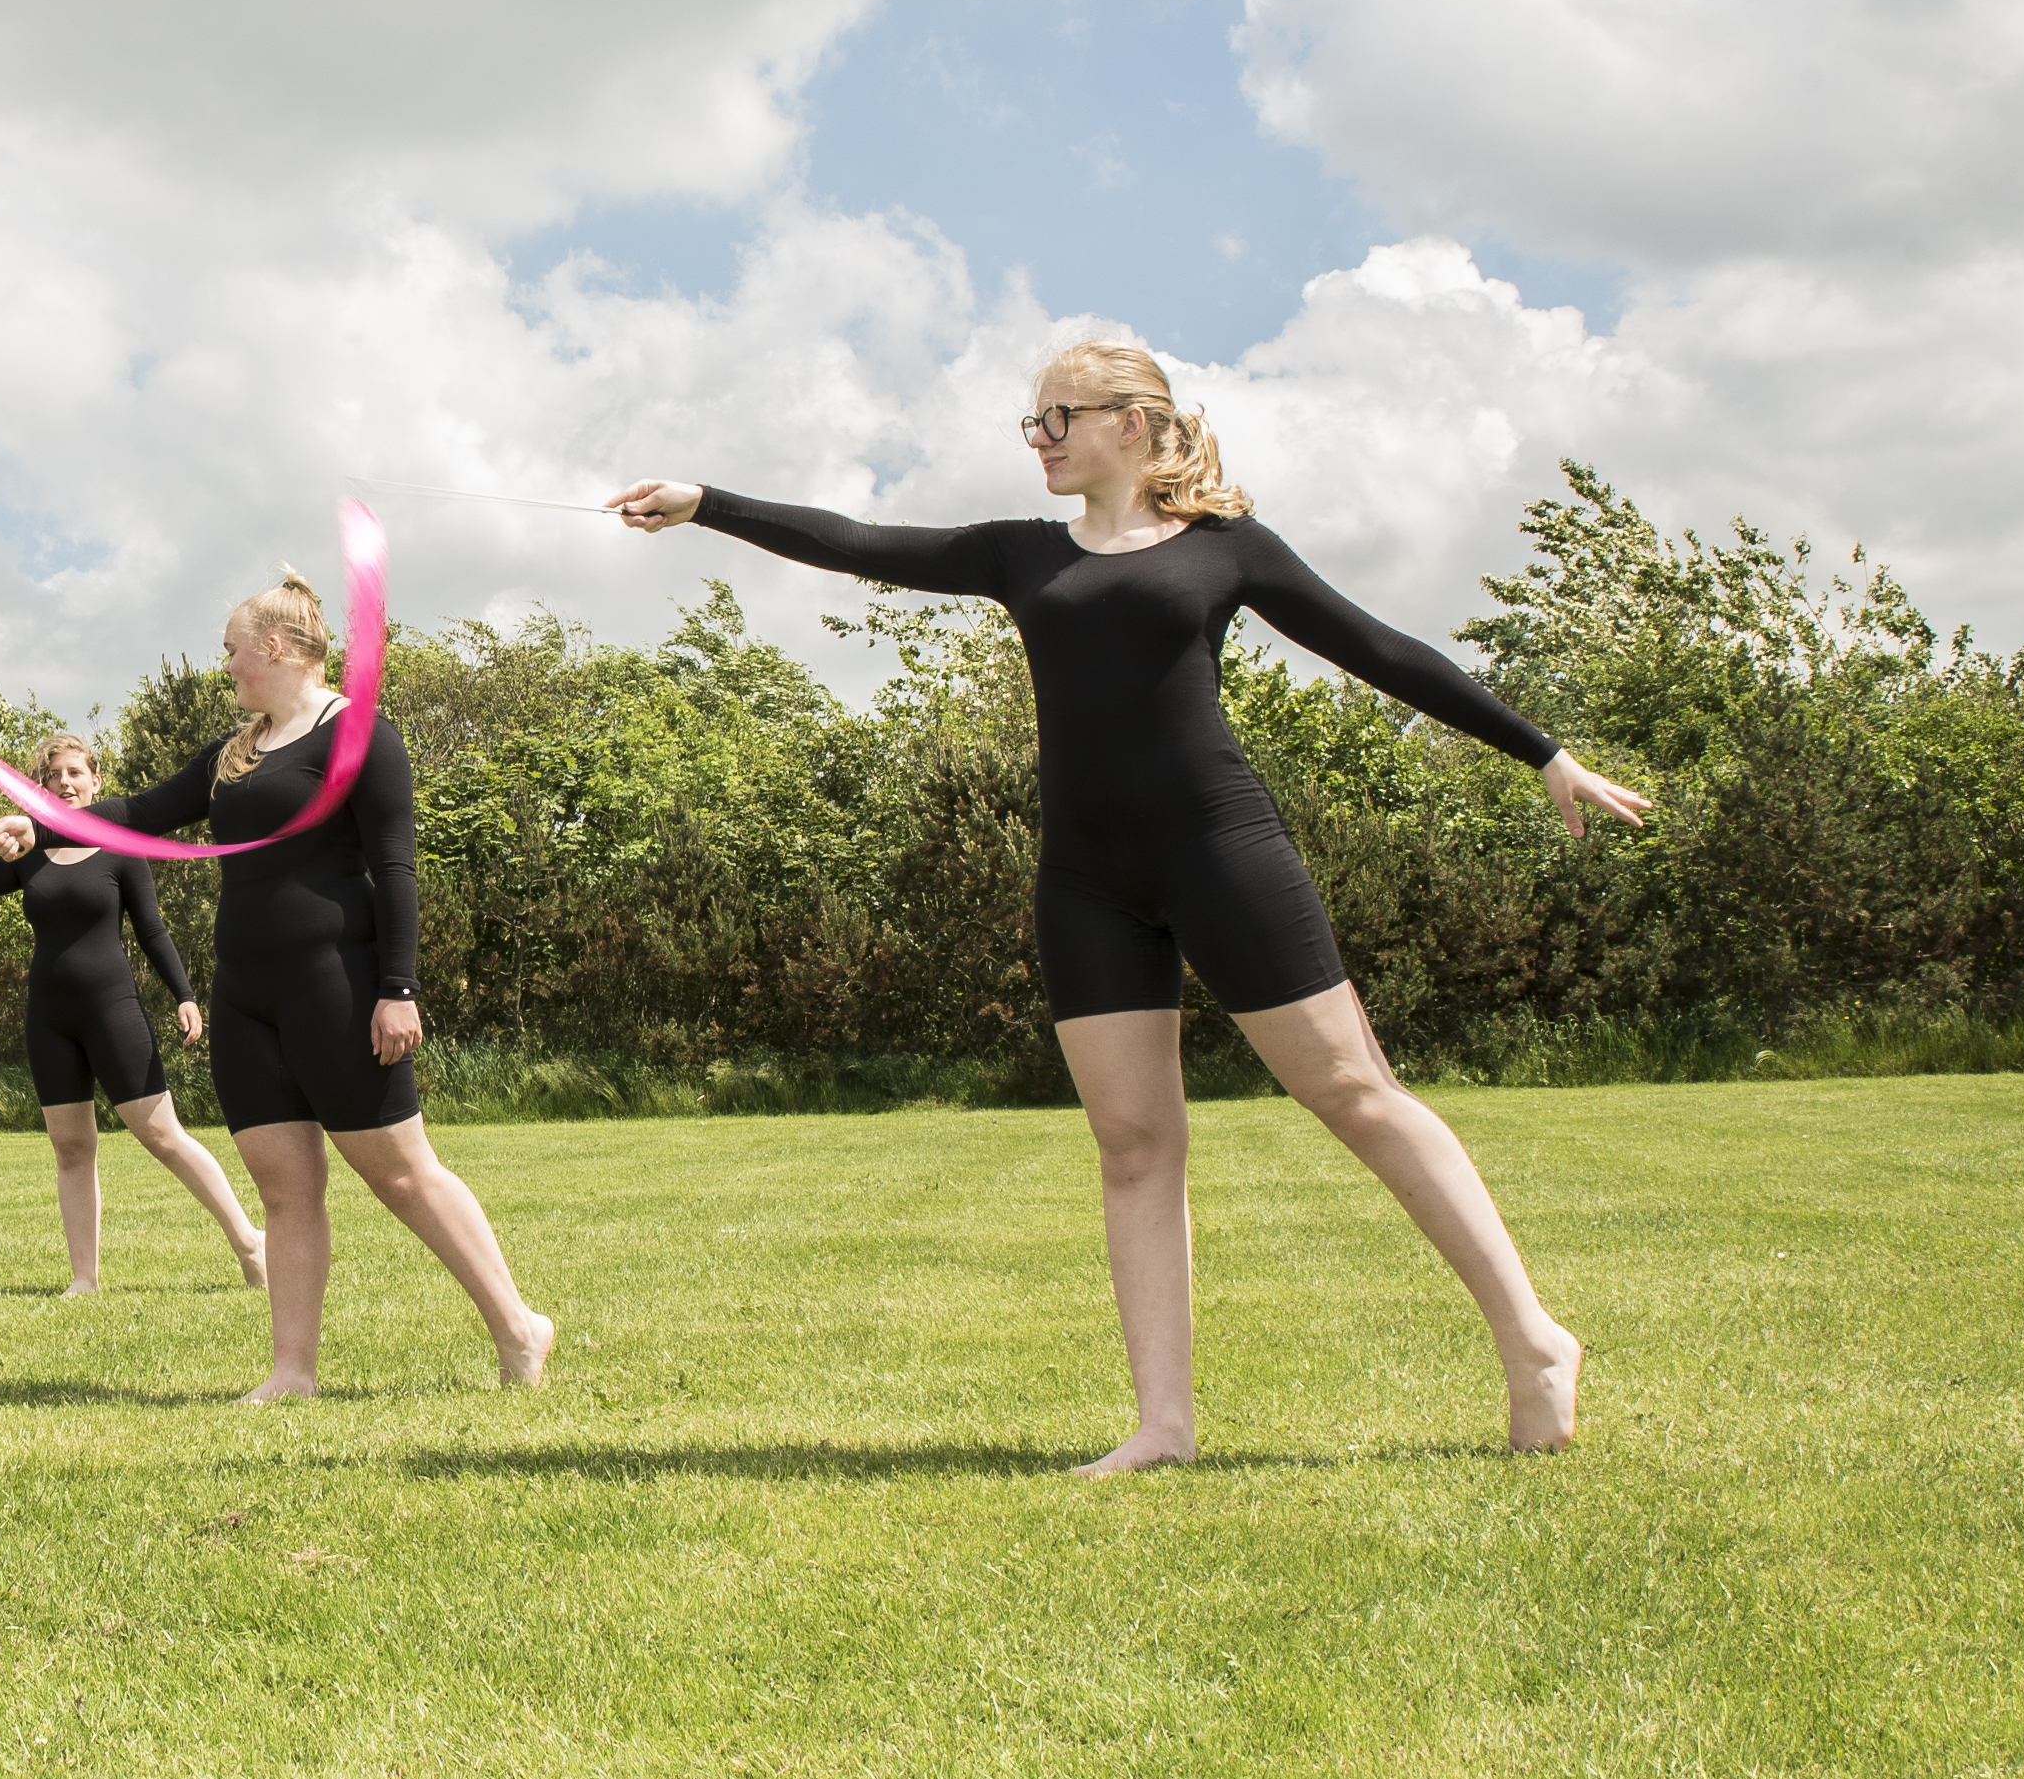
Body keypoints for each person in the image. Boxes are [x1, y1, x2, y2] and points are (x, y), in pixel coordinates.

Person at [608, 339, 1650, 1472]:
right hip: (1086, 880)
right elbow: (863, 544)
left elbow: (1378, 649)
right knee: (1132, 1143)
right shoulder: (1019, 556)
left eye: (1060, 416)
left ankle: (1533, 1340)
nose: (1041, 439)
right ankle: (1163, 1426)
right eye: (1033, 422)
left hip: (1221, 854)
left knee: (1355, 1092)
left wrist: (1540, 753)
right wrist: (704, 504)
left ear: (1138, 424)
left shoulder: (1224, 551)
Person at [0, 573, 554, 1401]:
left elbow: (395, 865)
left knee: (401, 1172)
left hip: (340, 983)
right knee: (285, 1188)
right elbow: (140, 808)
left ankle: (517, 1325)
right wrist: (41, 824)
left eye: (232, 649)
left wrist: (399, 986)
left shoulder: (359, 734)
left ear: (276, 648)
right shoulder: (233, 753)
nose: (227, 666)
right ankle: (293, 1370)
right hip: (247, 992)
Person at [0, 736, 271, 1298]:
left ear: (95, 781)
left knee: (162, 1134)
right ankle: (85, 1277)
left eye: (76, 772)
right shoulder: (26, 851)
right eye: (54, 774)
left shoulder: (119, 843)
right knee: (71, 1148)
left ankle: (249, 1242)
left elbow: (151, 928)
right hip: (49, 1018)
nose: (65, 782)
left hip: (112, 1011)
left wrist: (183, 993)